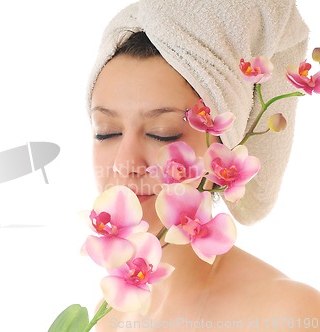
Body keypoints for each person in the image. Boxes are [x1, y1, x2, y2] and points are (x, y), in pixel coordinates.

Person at [86, 1, 320, 331]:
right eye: (105, 132)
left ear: (222, 150)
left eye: (160, 133)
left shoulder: (288, 315)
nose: (125, 165)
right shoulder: (111, 314)